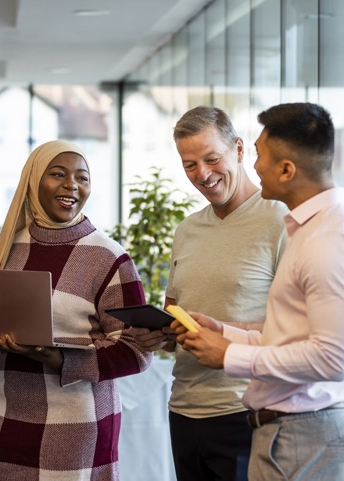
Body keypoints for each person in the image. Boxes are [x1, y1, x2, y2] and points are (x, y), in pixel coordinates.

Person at [176, 102, 344, 481]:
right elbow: (293, 336)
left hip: (306, 435)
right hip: (290, 433)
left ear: (287, 169)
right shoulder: (311, 231)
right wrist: (227, 334)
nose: (253, 167)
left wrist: (232, 355)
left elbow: (332, 360)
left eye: (259, 155)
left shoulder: (330, 240)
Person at [0, 140, 153, 480]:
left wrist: (61, 360)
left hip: (75, 429)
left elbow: (137, 349)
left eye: (82, 177)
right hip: (1, 421)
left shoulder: (109, 258)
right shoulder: (3, 251)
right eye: (57, 174)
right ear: (32, 181)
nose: (71, 184)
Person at [127, 106, 288, 481]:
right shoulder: (187, 231)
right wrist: (157, 335)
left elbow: (295, 329)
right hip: (184, 410)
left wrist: (224, 333)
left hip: (246, 413)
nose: (203, 174)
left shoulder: (280, 220)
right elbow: (176, 320)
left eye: (212, 159)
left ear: (239, 149)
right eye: (189, 165)